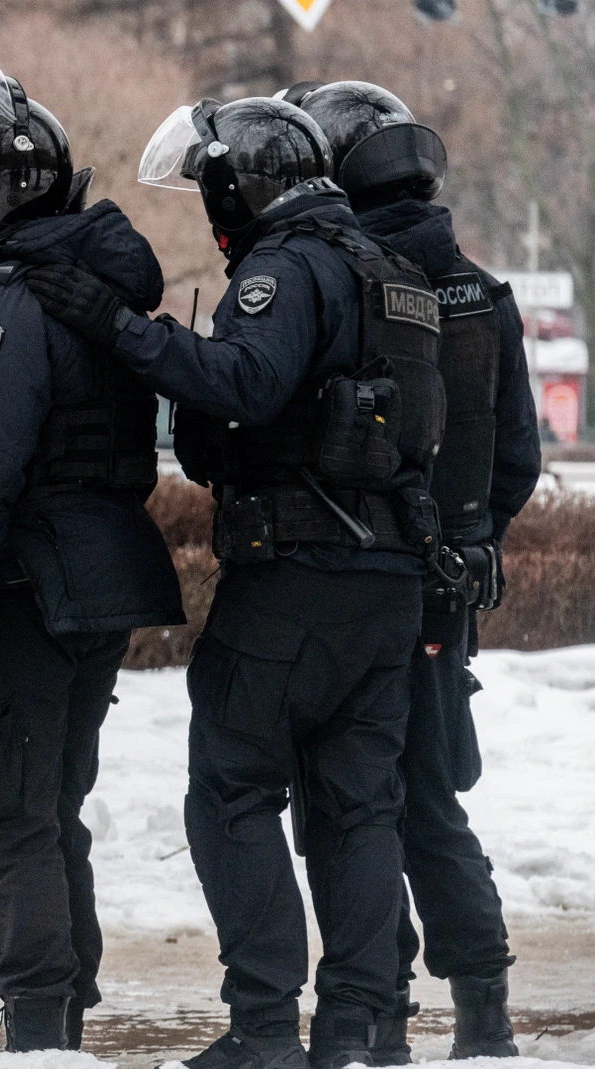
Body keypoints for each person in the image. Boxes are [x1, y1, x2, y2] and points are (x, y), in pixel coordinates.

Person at [26, 96, 445, 1069]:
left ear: (236, 188)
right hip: (386, 582)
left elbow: (246, 385)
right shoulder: (395, 273)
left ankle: (261, 1027)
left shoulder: (285, 265)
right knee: (356, 805)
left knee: (230, 792)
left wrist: (119, 327)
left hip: (297, 573)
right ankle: (353, 1030)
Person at [0, 57, 184, 1052]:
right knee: (45, 804)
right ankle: (59, 1000)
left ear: (16, 184)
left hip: (18, 591)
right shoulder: (80, 280)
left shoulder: (8, 302)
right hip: (83, 583)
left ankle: (39, 1022)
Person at [298, 80, 542, 1063]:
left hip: (362, 577)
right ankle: (482, 1011)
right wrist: (471, 536)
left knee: (356, 802)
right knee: (429, 798)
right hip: (446, 587)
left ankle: (384, 1006)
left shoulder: (357, 283)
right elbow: (519, 456)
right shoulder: (483, 292)